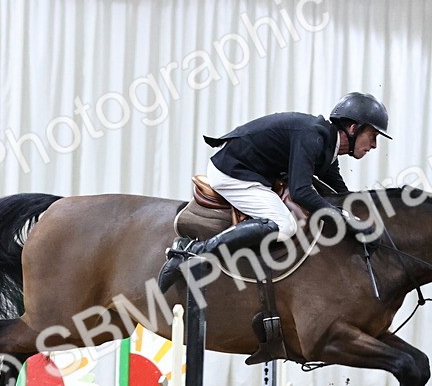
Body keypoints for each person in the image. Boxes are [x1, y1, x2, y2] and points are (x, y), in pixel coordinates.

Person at [157, 92, 391, 291]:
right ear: (353, 128)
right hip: (233, 172)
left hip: (254, 173)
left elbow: (340, 192)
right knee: (284, 225)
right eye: (373, 136)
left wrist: (361, 215)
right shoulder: (313, 137)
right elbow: (301, 192)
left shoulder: (327, 146)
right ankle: (190, 253)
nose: (374, 145)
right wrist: (344, 218)